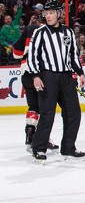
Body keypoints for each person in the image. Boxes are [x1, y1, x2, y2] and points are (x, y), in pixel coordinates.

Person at [27, 0, 85, 162]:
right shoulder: (39, 33)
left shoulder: (67, 32)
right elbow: (32, 56)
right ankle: (38, 148)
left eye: (52, 12)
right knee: (47, 113)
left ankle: (68, 147)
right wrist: (36, 76)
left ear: (59, 13)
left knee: (73, 113)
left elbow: (73, 55)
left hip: (67, 77)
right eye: (46, 12)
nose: (48, 16)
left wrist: (80, 73)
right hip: (48, 76)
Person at [13, 22, 59, 153]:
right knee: (46, 109)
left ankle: (30, 134)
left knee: (33, 107)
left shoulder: (29, 30)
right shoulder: (50, 32)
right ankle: (42, 139)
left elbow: (16, 53)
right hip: (42, 73)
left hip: (26, 73)